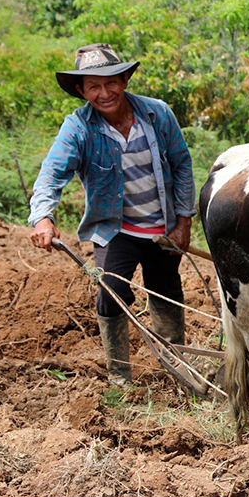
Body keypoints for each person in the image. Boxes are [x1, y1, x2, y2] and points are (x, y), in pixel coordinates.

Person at [27, 44, 196, 384]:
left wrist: (183, 221)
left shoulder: (157, 114)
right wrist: (42, 216)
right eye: (93, 86)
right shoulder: (78, 128)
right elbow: (52, 173)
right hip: (115, 231)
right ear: (82, 91)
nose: (104, 93)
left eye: (110, 82)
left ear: (124, 79)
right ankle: (120, 378)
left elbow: (182, 166)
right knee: (109, 293)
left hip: (162, 229)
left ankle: (178, 373)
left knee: (166, 293)